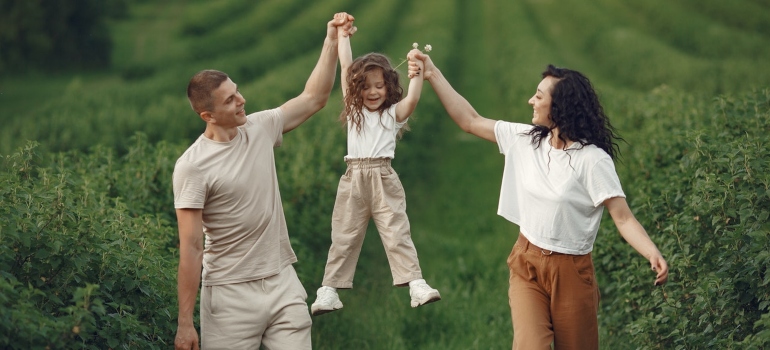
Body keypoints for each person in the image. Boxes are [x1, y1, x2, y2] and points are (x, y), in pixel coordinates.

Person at [411, 52, 669, 349]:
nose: (531, 101)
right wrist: (432, 73)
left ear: (559, 108)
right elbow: (470, 121)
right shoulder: (526, 140)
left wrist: (651, 252)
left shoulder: (592, 161)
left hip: (571, 273)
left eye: (538, 96)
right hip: (527, 263)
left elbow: (622, 217)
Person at [171, 13, 357, 350]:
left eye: (237, 92)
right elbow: (192, 247)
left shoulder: (258, 128)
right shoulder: (192, 167)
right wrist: (185, 323)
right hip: (229, 296)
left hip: (281, 280)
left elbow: (313, 98)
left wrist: (331, 41)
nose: (241, 100)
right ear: (207, 116)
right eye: (229, 100)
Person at [309, 15, 440, 316]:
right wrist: (343, 35)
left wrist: (417, 70)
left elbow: (414, 99)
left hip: (383, 176)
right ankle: (329, 289)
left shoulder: (392, 114)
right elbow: (345, 67)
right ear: (356, 89)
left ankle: (415, 284)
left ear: (389, 87)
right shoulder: (354, 110)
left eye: (379, 86)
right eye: (366, 87)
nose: (372, 92)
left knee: (396, 232)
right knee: (344, 233)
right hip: (353, 176)